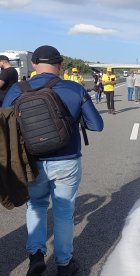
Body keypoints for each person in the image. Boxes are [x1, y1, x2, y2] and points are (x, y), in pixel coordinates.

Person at [2, 45, 104, 276]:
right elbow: (97, 125)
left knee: (36, 206)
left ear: (35, 64)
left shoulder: (17, 90)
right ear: (60, 65)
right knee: (64, 211)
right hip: (67, 161)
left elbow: (5, 125)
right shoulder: (74, 88)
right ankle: (64, 264)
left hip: (31, 162)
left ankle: (36, 256)